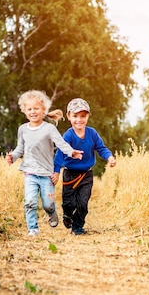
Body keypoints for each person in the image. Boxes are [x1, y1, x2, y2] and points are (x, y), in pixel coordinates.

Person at [7, 90, 83, 237]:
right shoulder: (22, 129)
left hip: (46, 174)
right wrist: (13, 157)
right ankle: (33, 229)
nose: (33, 112)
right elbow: (20, 148)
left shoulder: (49, 128)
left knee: (47, 204)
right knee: (30, 202)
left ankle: (51, 212)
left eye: (36, 108)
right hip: (29, 173)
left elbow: (61, 144)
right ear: (24, 111)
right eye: (29, 109)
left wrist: (72, 152)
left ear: (43, 110)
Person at [52, 98, 116, 235]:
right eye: (75, 116)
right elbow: (60, 154)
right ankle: (67, 214)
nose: (79, 120)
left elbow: (101, 148)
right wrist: (56, 171)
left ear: (88, 116)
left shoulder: (92, 134)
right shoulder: (68, 136)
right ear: (68, 116)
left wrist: (109, 157)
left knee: (83, 203)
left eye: (83, 116)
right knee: (69, 203)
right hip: (70, 174)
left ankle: (77, 227)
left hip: (86, 175)